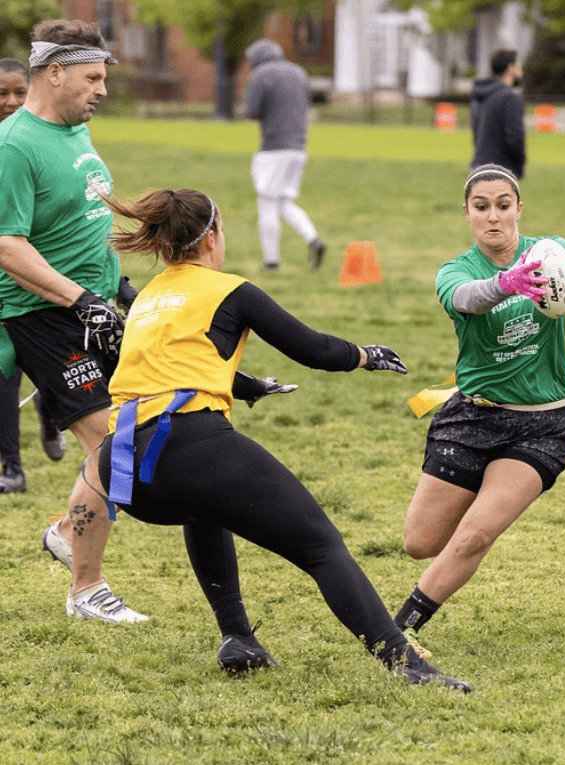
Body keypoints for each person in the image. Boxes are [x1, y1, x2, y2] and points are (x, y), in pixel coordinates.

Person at [86, 187, 469, 690]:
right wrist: (365, 354)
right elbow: (312, 348)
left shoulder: (149, 298)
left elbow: (165, 367)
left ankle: (237, 639)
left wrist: (247, 387)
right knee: (321, 547)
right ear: (213, 236)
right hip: (186, 447)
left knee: (207, 504)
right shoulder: (229, 289)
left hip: (125, 469)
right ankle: (407, 664)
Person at [392, 164, 565, 654]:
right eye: (481, 207)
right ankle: (473, 494)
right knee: (420, 543)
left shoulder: (548, 251)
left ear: (518, 209)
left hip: (543, 423)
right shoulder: (456, 270)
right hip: (473, 417)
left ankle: (399, 631)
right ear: (467, 213)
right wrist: (509, 283)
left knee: (475, 535)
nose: (493, 217)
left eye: (503, 205)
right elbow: (467, 299)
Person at [0, 19, 146, 621]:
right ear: (54, 73)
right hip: (42, 315)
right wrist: (79, 300)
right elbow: (8, 245)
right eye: (92, 78)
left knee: (137, 436)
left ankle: (67, 527)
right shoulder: (14, 144)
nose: (102, 91)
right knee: (112, 446)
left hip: (91, 309)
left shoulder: (74, 132)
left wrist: (120, 289)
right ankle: (86, 591)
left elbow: (82, 224)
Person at [0, 57, 66, 493]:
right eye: (0, 95)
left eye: (18, 92)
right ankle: (12, 468)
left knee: (49, 367)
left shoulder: (38, 140)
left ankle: (50, 407)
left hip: (40, 267)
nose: (9, 102)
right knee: (4, 373)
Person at [243, 38, 325, 271]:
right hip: (299, 147)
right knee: (283, 201)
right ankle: (313, 239)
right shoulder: (299, 72)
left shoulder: (261, 75)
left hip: (273, 149)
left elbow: (251, 110)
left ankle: (271, 261)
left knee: (267, 203)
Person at [470, 50, 526, 179]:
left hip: (478, 166)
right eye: (518, 65)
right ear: (510, 68)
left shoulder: (480, 95)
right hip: (502, 168)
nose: (521, 69)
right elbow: (514, 137)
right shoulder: (510, 97)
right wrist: (519, 165)